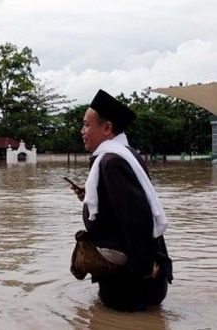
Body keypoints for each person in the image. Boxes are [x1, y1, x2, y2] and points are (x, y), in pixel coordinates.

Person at [69, 89, 173, 312]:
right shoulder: (126, 154)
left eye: (87, 125)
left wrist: (143, 270)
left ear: (107, 128)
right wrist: (88, 196)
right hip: (138, 278)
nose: (82, 131)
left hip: (130, 283)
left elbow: (137, 220)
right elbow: (123, 206)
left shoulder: (111, 162)